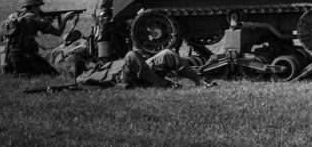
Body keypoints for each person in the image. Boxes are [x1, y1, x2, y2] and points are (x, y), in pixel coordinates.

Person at [0, 0, 80, 75]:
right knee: (52, 73)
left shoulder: (12, 18)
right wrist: (65, 19)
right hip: (24, 58)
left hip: (8, 60)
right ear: (33, 6)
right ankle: (23, 72)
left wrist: (3, 67)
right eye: (38, 6)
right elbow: (58, 32)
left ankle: (15, 71)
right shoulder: (34, 18)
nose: (40, 10)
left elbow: (3, 44)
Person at [76, 49, 214, 89]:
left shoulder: (104, 63)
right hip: (125, 77)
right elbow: (80, 80)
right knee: (130, 54)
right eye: (88, 62)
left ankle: (200, 81)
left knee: (167, 54)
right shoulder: (87, 74)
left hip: (143, 70)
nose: (92, 62)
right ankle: (164, 85)